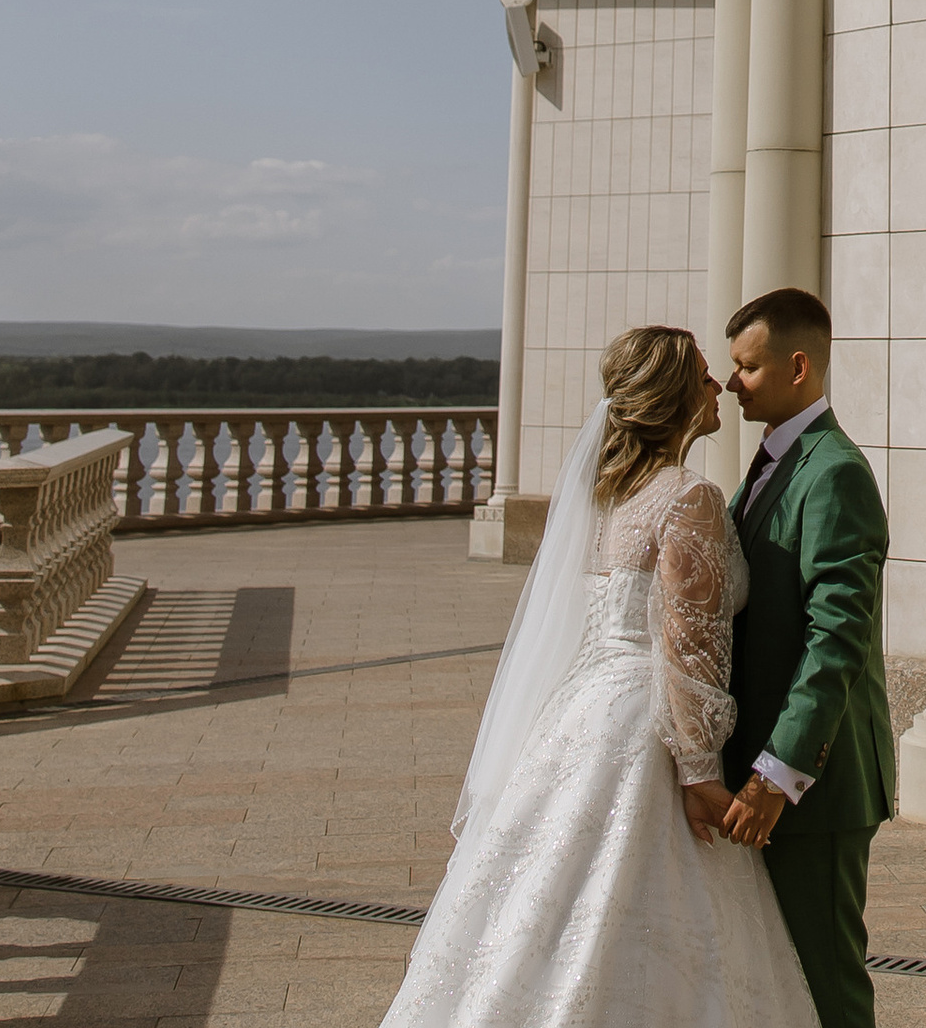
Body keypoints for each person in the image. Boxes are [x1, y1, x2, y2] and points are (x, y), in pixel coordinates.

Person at [379, 323, 817, 1028]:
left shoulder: (604, 495)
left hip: (580, 712)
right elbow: (688, 647)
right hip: (645, 719)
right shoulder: (688, 496)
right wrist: (702, 774)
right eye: (705, 374)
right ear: (676, 396)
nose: (718, 387)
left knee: (535, 911)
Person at [714, 287, 893, 1028]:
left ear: (797, 367)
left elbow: (836, 638)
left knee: (826, 988)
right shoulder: (769, 464)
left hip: (814, 790)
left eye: (746, 369)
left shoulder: (835, 473)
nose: (731, 383)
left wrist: (777, 775)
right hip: (757, 775)